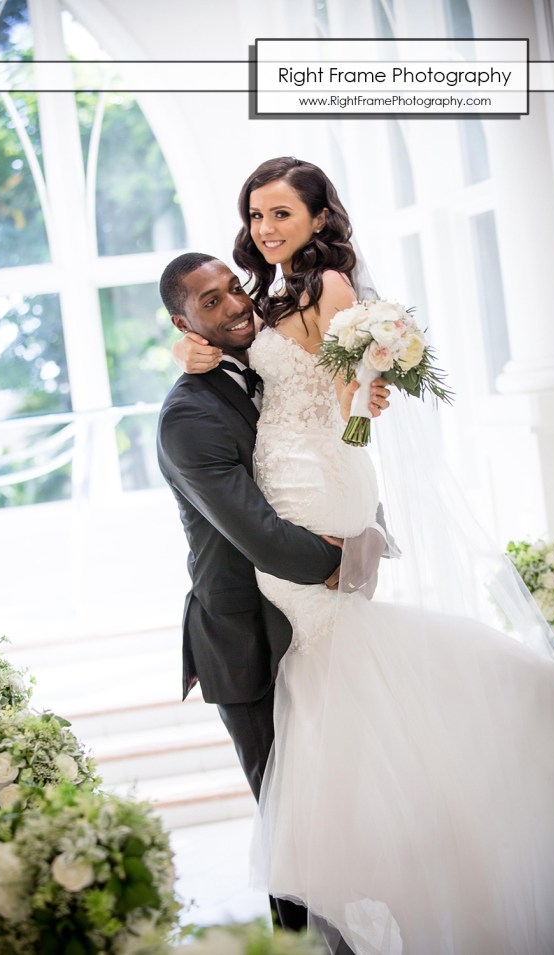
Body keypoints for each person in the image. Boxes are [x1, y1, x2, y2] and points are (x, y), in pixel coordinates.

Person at [172, 156, 554, 955]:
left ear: (319, 218)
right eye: (254, 216)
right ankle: (346, 900)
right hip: (282, 518)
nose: (265, 230)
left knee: (334, 666)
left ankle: (360, 884)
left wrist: (356, 412)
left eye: (280, 214)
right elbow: (260, 372)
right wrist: (193, 355)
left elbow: (346, 405)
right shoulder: (267, 308)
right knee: (334, 673)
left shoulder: (329, 291)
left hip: (311, 491)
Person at [156, 251, 391, 936]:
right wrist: (347, 562)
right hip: (246, 638)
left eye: (234, 288)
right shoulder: (187, 417)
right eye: (209, 301)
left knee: (340, 802)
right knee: (291, 826)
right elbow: (258, 534)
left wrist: (361, 411)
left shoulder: (262, 359)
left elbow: (329, 441)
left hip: (308, 615)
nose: (234, 304)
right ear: (183, 322)